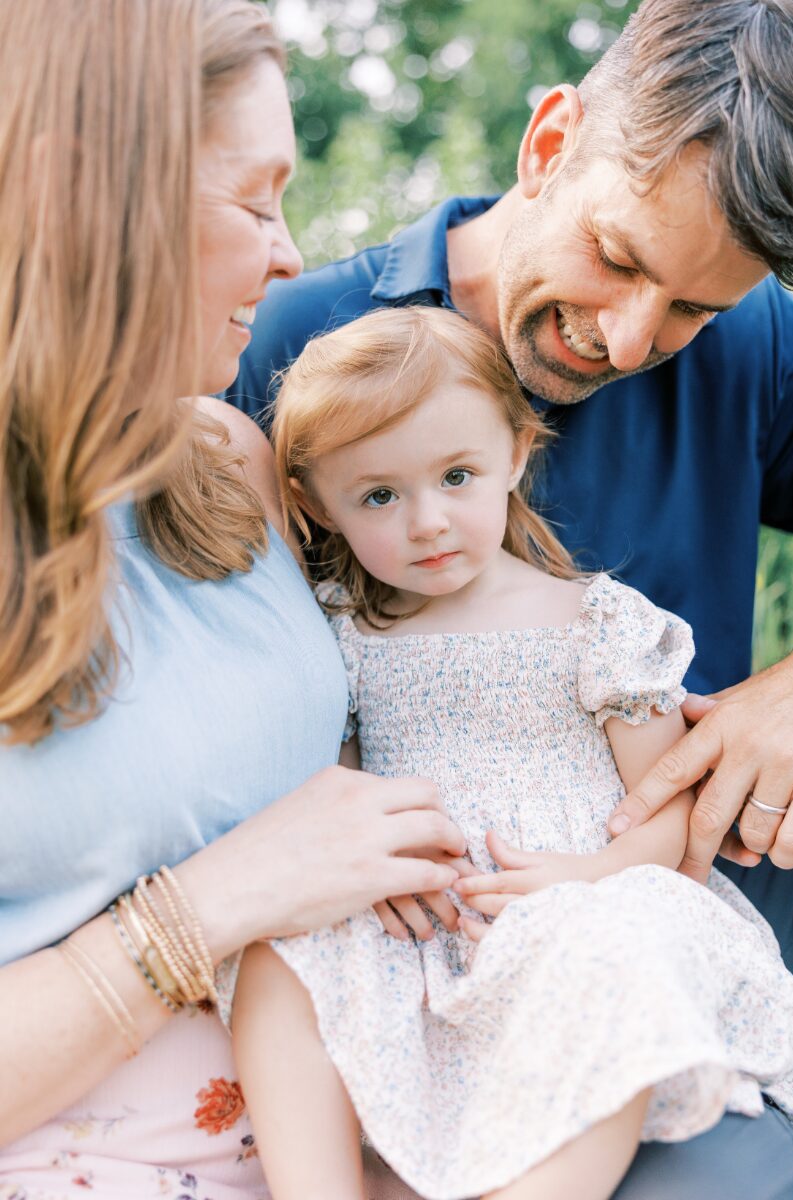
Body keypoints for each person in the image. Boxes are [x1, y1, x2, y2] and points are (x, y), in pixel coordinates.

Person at [223, 0, 793, 988]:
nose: (627, 342)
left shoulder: (763, 341)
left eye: (693, 310)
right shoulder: (287, 345)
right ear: (548, 146)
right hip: (396, 960)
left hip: (683, 958)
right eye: (616, 259)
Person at [0, 2, 475, 1194]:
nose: (289, 253)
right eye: (254, 200)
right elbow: (266, 860)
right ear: (82, 194)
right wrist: (210, 906)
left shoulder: (226, 462)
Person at [229, 305, 793, 1200]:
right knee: (280, 961)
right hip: (418, 914)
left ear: (515, 454)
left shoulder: (597, 623)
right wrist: (369, 866)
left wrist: (592, 873)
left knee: (611, 962)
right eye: (379, 495)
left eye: (458, 476)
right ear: (314, 503)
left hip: (584, 897)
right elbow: (337, 790)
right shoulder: (338, 631)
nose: (428, 522)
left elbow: (668, 808)